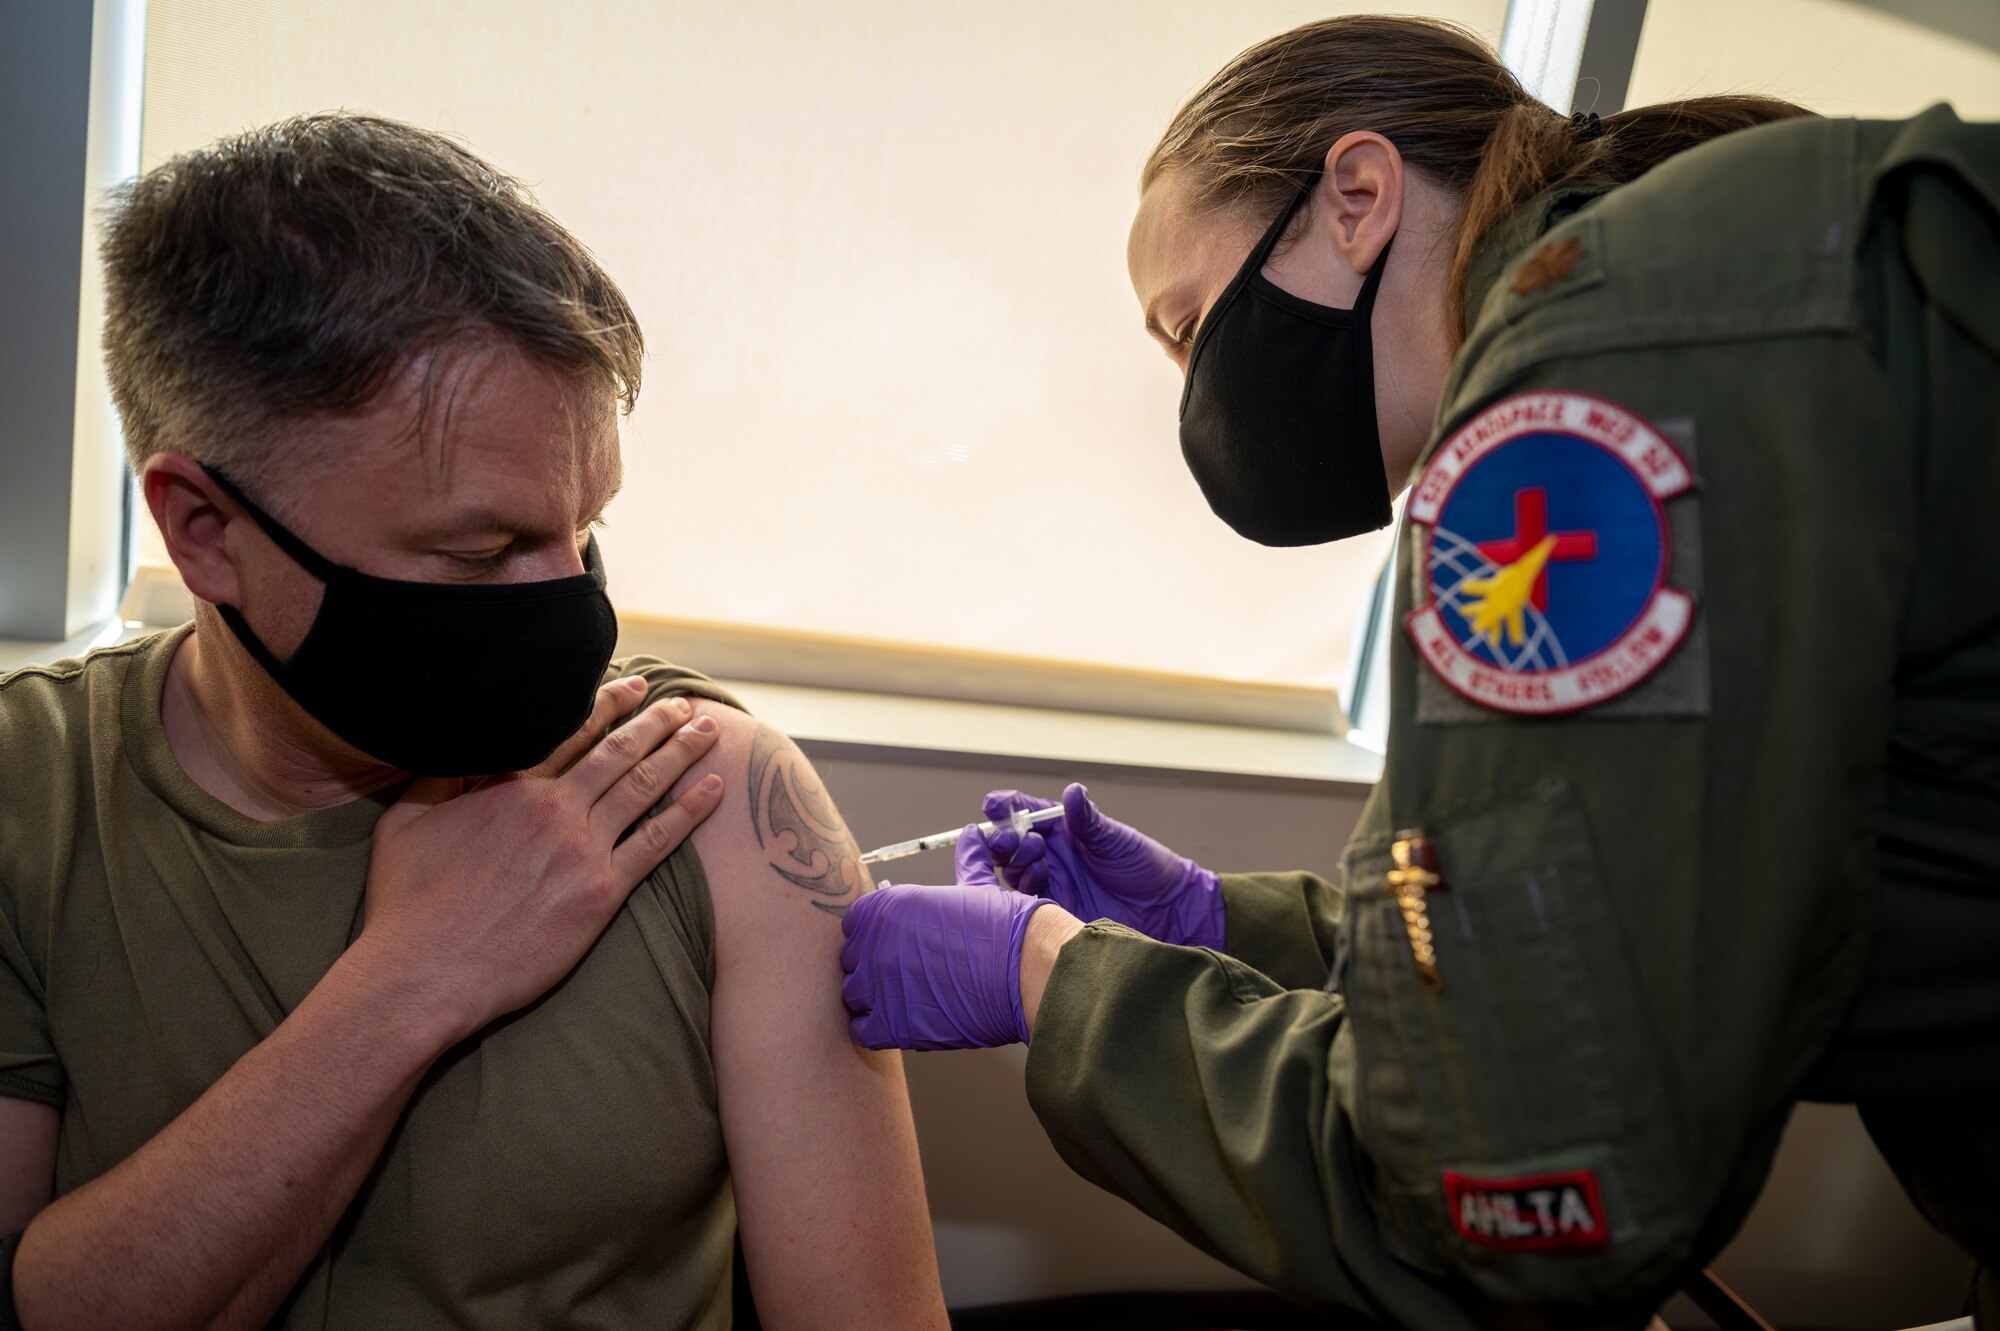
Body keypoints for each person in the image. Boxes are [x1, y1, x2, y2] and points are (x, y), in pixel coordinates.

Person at [838, 14, 1999, 1328]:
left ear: (1356, 198)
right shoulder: (1690, 289)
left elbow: (1505, 1187)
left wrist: (1053, 980)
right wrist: (1234, 924)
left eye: (1187, 326)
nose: (1189, 393)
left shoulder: (1589, 388)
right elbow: (1595, 905)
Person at [0, 114, 947, 1331]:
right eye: (480, 549)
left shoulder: (702, 796)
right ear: (203, 531)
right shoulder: (33, 795)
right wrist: (412, 980)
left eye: (582, 526)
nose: (570, 606)